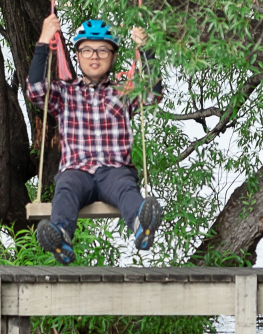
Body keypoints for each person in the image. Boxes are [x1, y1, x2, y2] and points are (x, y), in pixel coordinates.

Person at [25, 15, 163, 264]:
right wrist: (44, 41)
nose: (95, 56)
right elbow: (35, 91)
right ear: (77, 56)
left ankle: (142, 226)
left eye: (103, 50)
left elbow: (152, 93)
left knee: (126, 187)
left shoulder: (123, 91)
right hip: (77, 171)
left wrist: (146, 50)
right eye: (87, 50)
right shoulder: (64, 93)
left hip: (114, 170)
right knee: (65, 188)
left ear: (113, 56)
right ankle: (61, 237)